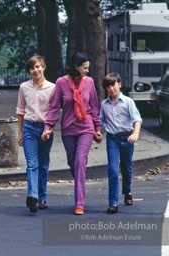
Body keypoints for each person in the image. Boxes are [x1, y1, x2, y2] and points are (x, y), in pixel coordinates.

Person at [42, 52, 102, 215]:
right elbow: (54, 108)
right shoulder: (61, 83)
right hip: (68, 129)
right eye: (85, 68)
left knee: (80, 161)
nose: (87, 71)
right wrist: (48, 127)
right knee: (72, 163)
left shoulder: (89, 82)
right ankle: (80, 183)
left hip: (86, 128)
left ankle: (79, 203)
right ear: (76, 67)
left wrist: (97, 128)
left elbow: (94, 107)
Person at [16, 55, 55, 213]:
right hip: (29, 128)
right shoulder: (24, 87)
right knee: (32, 164)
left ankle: (42, 197)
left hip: (45, 129)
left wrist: (49, 130)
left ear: (44, 67)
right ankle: (32, 196)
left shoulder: (52, 88)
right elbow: (20, 110)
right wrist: (19, 132)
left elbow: (53, 113)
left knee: (43, 165)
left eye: (38, 66)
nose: (35, 70)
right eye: (32, 68)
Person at [100, 72, 142, 214]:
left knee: (126, 167)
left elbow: (137, 119)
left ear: (119, 84)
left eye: (113, 85)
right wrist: (97, 131)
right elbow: (101, 121)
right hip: (112, 139)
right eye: (108, 86)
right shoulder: (104, 105)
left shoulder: (128, 102)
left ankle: (127, 191)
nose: (111, 88)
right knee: (112, 169)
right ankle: (113, 202)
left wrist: (135, 133)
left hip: (127, 138)